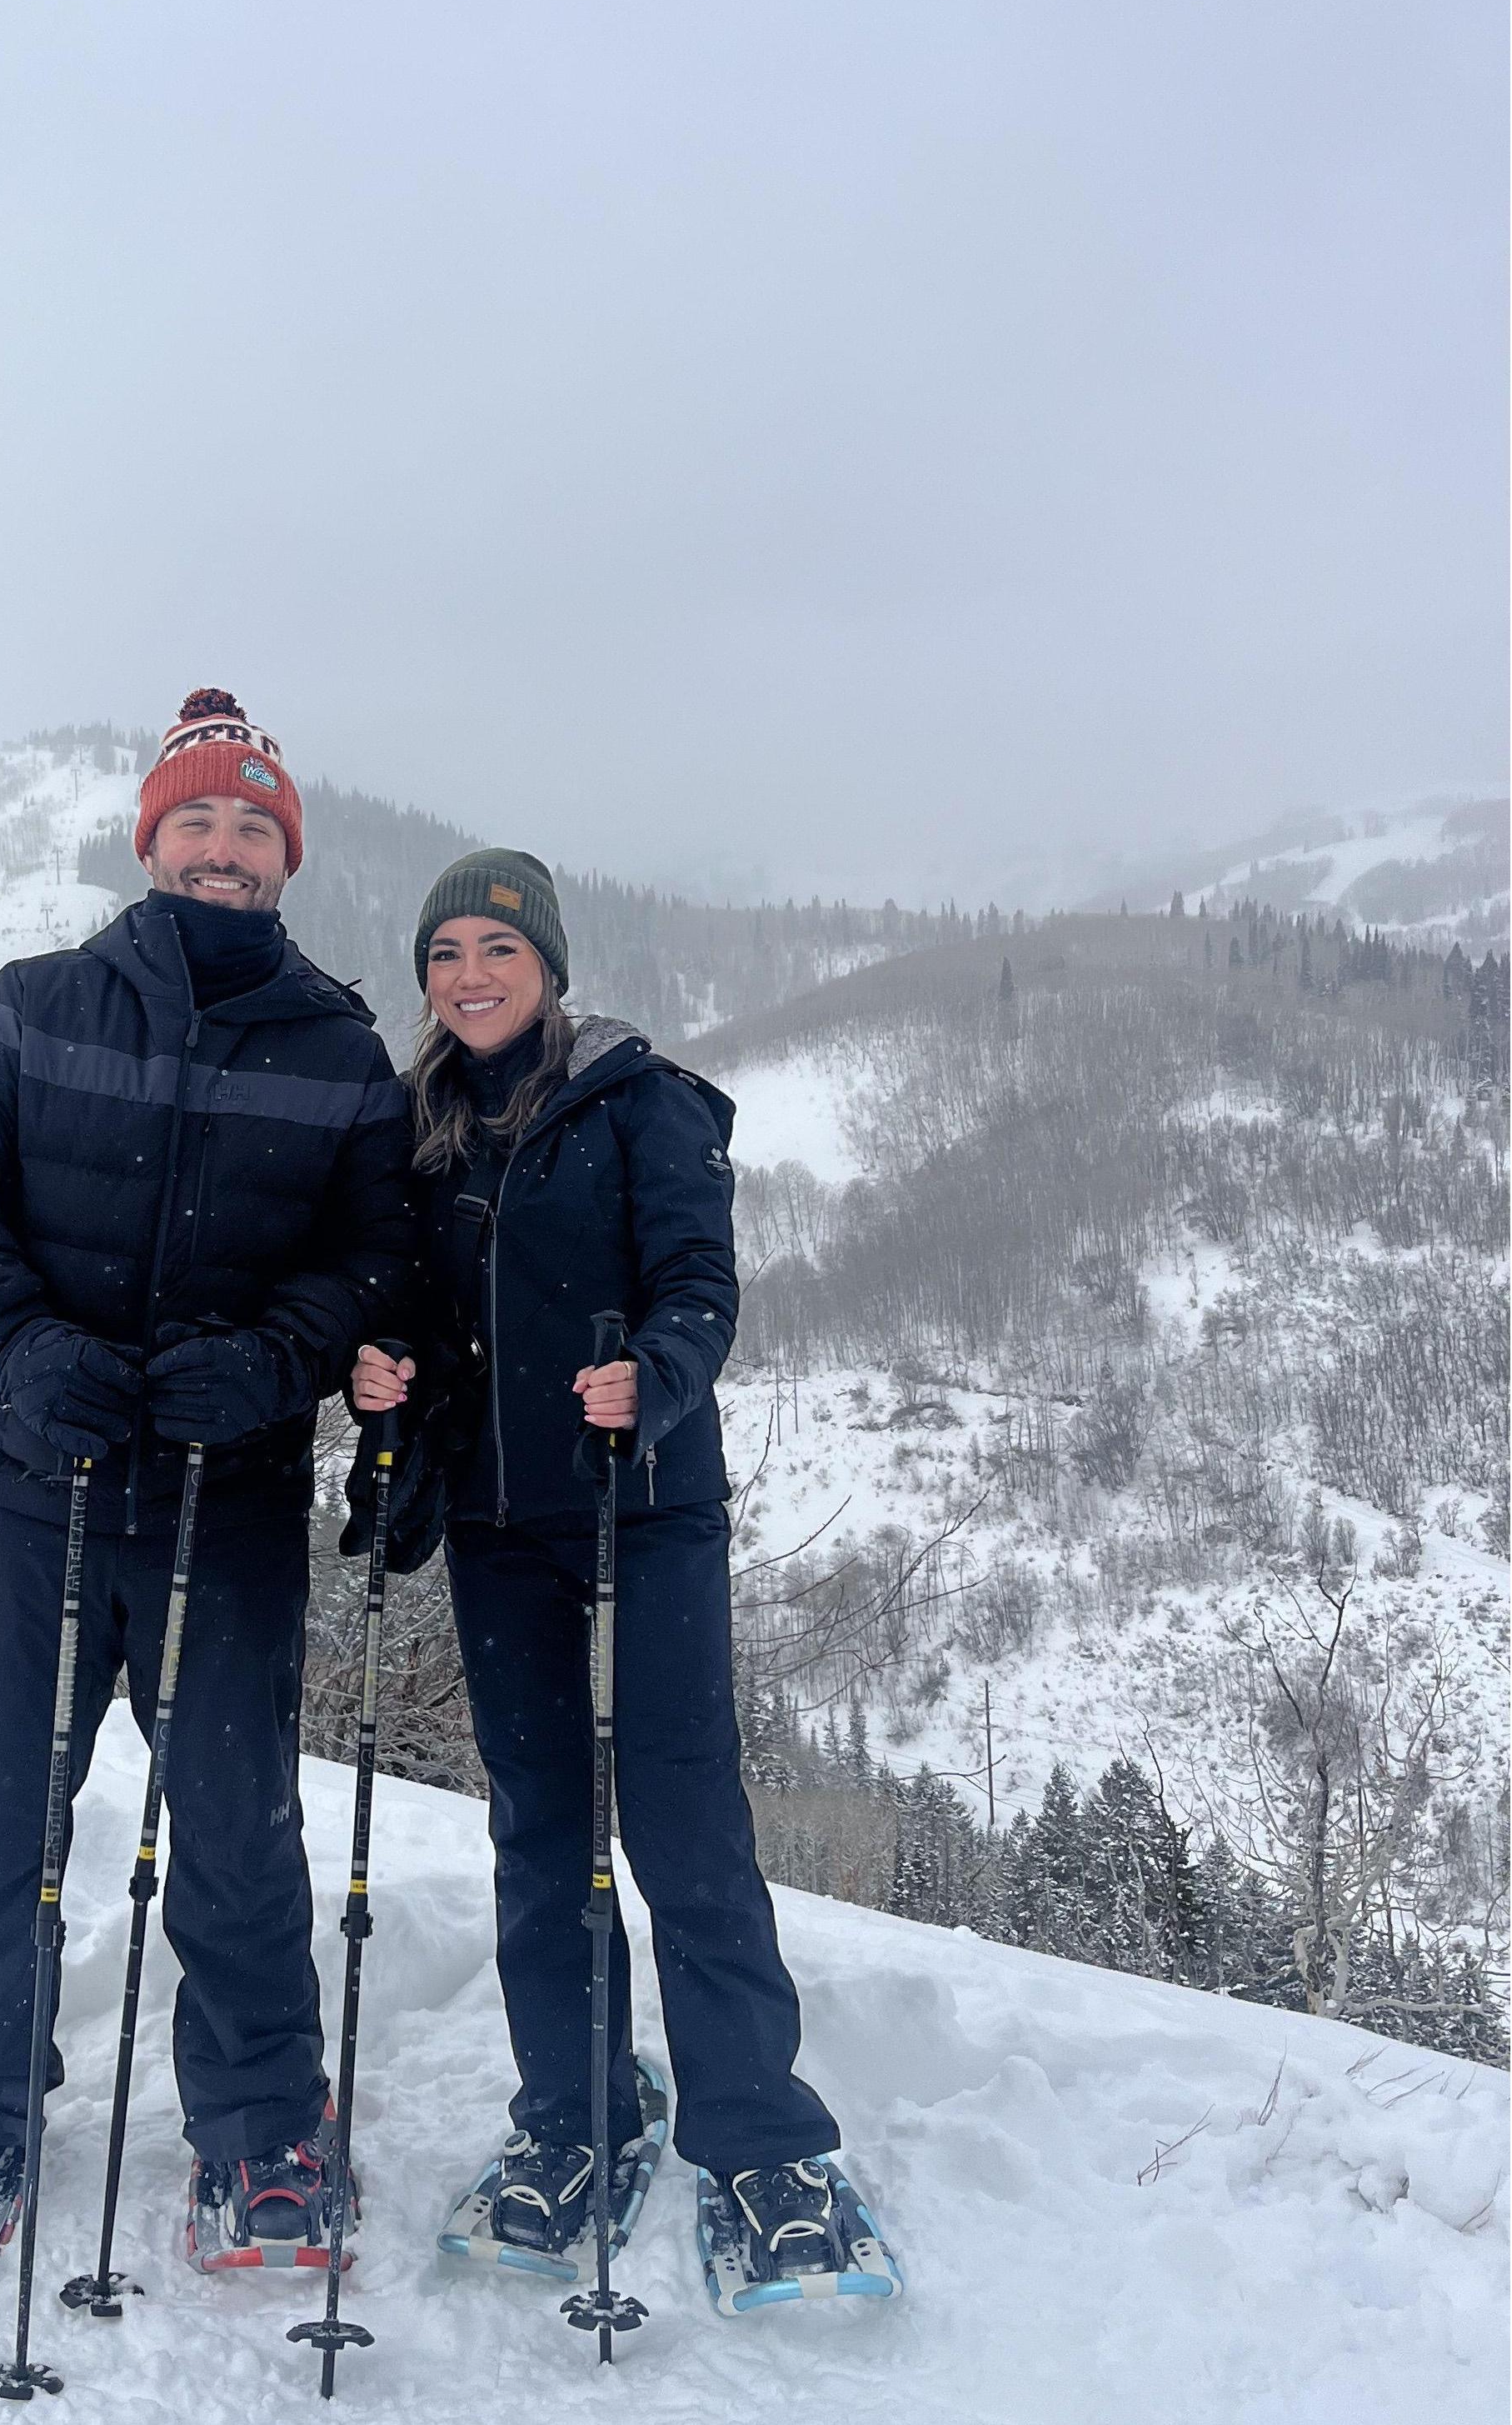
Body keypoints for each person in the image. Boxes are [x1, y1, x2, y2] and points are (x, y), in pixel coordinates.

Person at [0, 690, 412, 2273]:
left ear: (284, 860)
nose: (224, 851)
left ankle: (264, 2130)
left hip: (222, 1512)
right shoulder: (35, 1006)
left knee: (233, 1822)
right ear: (150, 838)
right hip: (34, 1489)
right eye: (199, 822)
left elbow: (375, 1252)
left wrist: (281, 1358)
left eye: (254, 829)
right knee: (1, 1811)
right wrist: (19, 1339)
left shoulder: (341, 1048)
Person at [349, 847, 882, 2300]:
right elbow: (400, 1304)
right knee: (540, 1833)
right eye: (445, 949)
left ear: (550, 967)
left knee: (684, 1820)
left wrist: (651, 1377)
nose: (469, 974)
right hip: (501, 1527)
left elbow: (702, 1286)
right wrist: (383, 1375)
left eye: (497, 949)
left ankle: (764, 2143)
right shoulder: (418, 1130)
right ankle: (577, 2114)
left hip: (642, 1513)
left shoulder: (641, 1104)